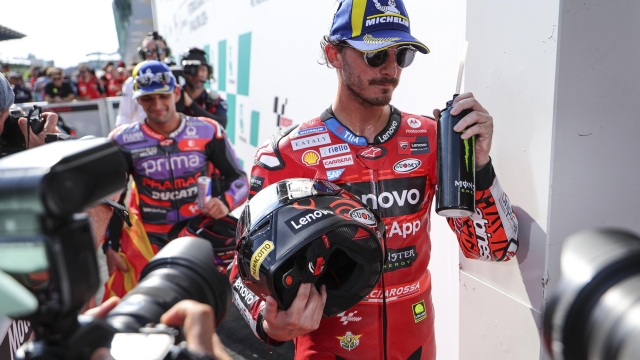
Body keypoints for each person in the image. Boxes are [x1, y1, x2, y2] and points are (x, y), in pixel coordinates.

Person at [227, 0, 520, 359]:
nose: (392, 69)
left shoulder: (432, 139)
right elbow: (241, 267)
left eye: (402, 55)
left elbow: (493, 249)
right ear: (333, 54)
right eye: (376, 55)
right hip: (328, 348)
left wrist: (479, 167)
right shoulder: (284, 155)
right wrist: (267, 322)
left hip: (416, 344)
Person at [105, 60, 248, 299]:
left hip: (198, 233)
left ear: (177, 92)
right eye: (149, 98)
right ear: (138, 100)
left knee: (201, 304)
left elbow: (240, 179)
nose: (157, 104)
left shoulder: (207, 129)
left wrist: (225, 202)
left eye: (163, 95)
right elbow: (113, 197)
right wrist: (109, 248)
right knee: (154, 306)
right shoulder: (122, 139)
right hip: (149, 237)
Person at [116, 32, 171, 126]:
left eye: (160, 51)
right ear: (143, 54)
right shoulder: (132, 83)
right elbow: (124, 117)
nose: (155, 55)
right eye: (150, 52)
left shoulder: (176, 78)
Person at [175, 47, 228, 128]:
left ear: (209, 72)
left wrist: (190, 104)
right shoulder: (173, 98)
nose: (199, 74)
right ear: (184, 71)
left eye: (203, 69)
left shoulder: (215, 101)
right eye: (193, 69)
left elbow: (220, 125)